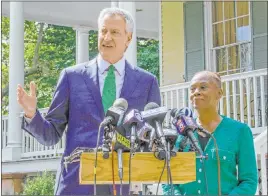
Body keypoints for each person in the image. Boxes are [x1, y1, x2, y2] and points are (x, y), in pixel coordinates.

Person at [17, 7, 161, 195]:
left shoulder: (147, 82)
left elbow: (151, 137)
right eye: (103, 31)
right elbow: (51, 135)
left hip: (123, 184)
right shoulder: (72, 77)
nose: (107, 37)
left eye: (115, 32)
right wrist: (31, 114)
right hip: (76, 184)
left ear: (128, 38)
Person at [162, 71, 258, 195]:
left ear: (219, 93)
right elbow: (168, 180)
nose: (196, 92)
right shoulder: (179, 134)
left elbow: (249, 181)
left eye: (203, 87)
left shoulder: (240, 131)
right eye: (192, 89)